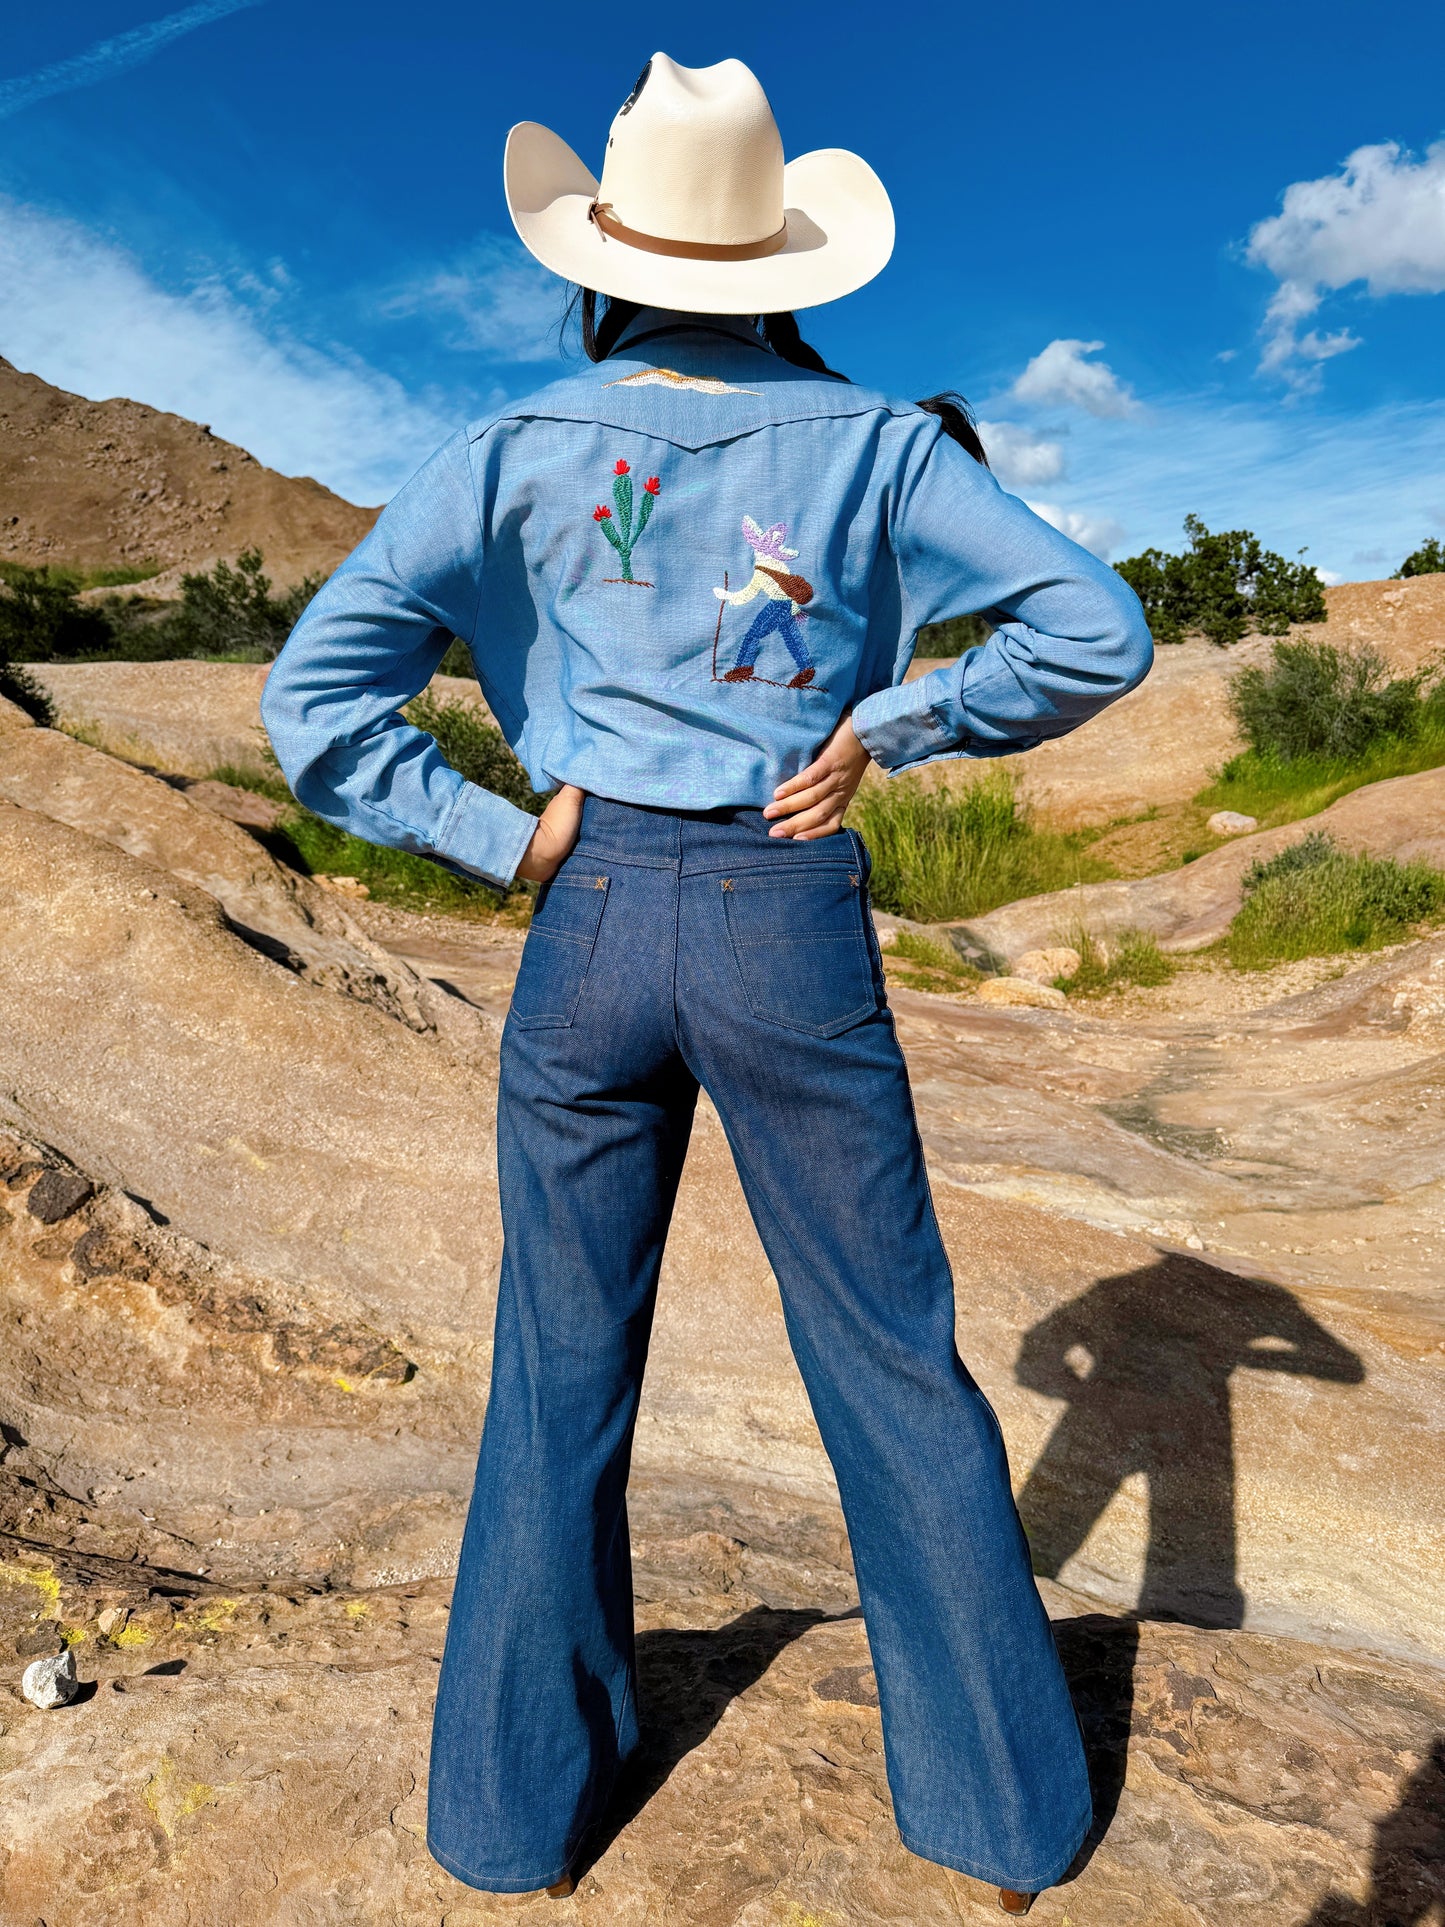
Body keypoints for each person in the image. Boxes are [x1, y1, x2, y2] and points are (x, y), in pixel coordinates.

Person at [262, 52, 1153, 1916]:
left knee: (556, 1367)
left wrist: (495, 837)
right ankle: (998, 1813)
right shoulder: (887, 448)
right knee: (892, 1360)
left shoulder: (509, 448)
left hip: (586, 924)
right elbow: (1098, 628)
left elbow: (310, 704)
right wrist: (902, 721)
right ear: (784, 267)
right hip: (784, 908)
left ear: (604, 252)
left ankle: (511, 1822)